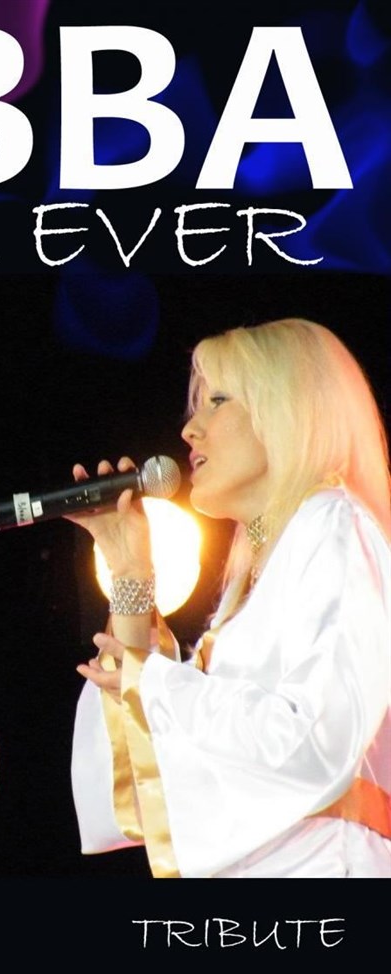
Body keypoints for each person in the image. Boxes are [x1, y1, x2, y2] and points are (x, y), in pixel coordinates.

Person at [70, 318, 390, 878]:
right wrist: (129, 573)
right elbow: (154, 778)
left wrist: (155, 682)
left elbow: (316, 738)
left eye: (218, 401)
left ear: (290, 410)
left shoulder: (333, 524)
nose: (190, 430)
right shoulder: (253, 582)